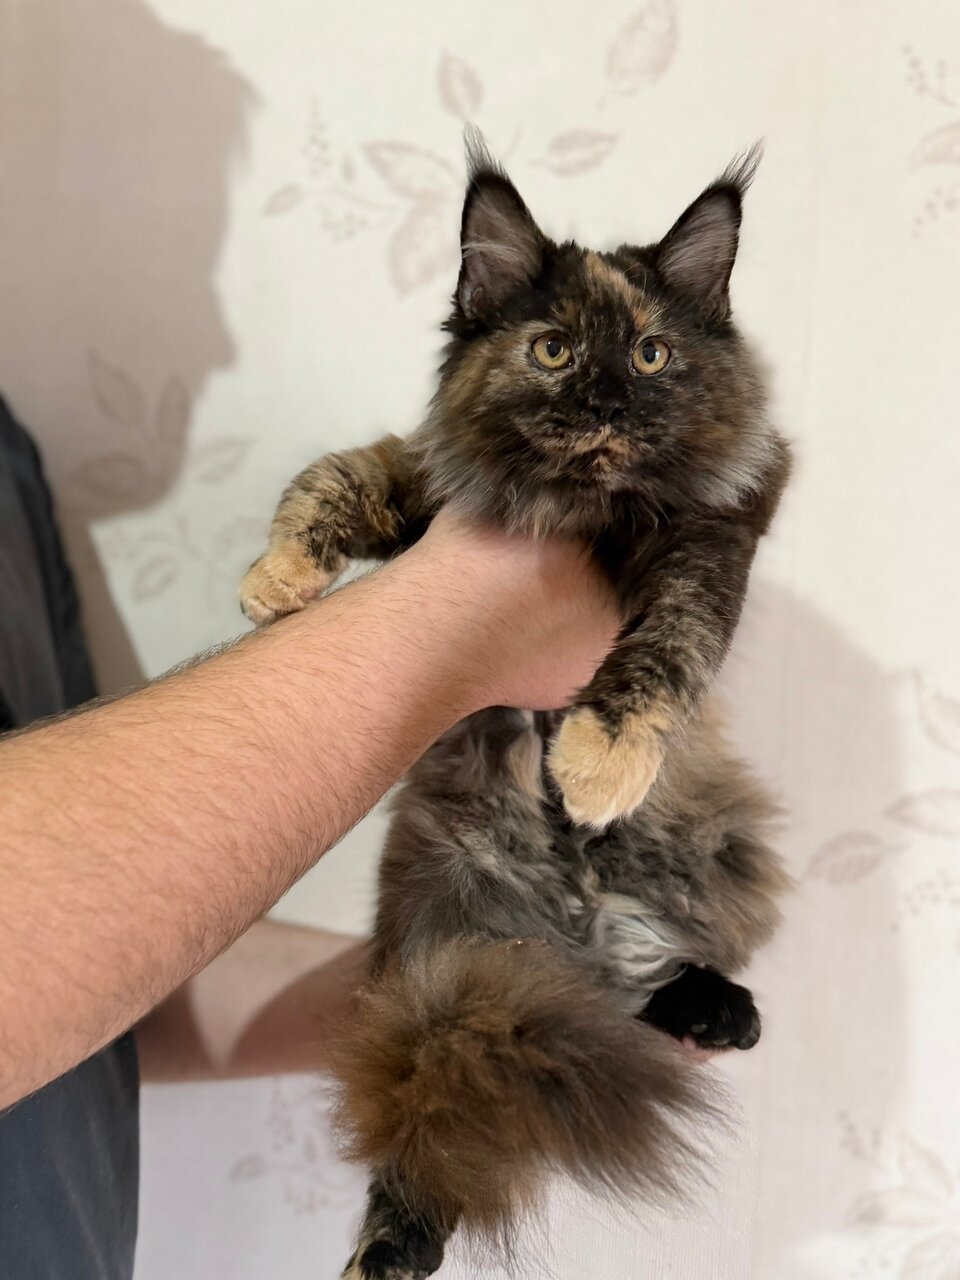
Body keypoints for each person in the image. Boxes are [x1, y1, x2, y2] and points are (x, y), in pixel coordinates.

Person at [0, 397, 618, 1278]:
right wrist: (454, 620)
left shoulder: (9, 465)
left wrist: (430, 1000)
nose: (216, 340)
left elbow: (88, 968)